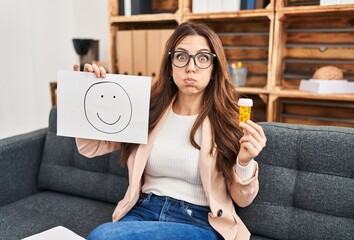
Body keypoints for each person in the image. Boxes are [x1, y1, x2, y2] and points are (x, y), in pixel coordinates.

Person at [74, 22, 266, 240]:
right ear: (170, 65)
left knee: (103, 237)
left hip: (200, 221)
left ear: (214, 69)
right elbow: (90, 147)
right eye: (182, 57)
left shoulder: (230, 120)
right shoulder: (148, 111)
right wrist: (85, 90)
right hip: (143, 211)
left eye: (202, 58)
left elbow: (242, 200)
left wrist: (244, 163)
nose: (190, 67)